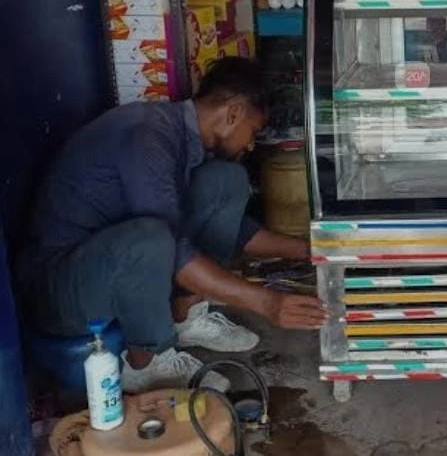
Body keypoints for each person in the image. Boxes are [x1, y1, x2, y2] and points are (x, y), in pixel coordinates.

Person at [15, 57, 327, 393]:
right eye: (253, 132)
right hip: (56, 286)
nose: (251, 145)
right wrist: (267, 303)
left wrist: (311, 249)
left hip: (102, 262)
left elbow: (236, 231)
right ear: (233, 113)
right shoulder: (148, 136)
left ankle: (185, 317)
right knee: (151, 238)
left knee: (224, 181)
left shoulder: (178, 135)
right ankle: (147, 364)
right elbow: (171, 249)